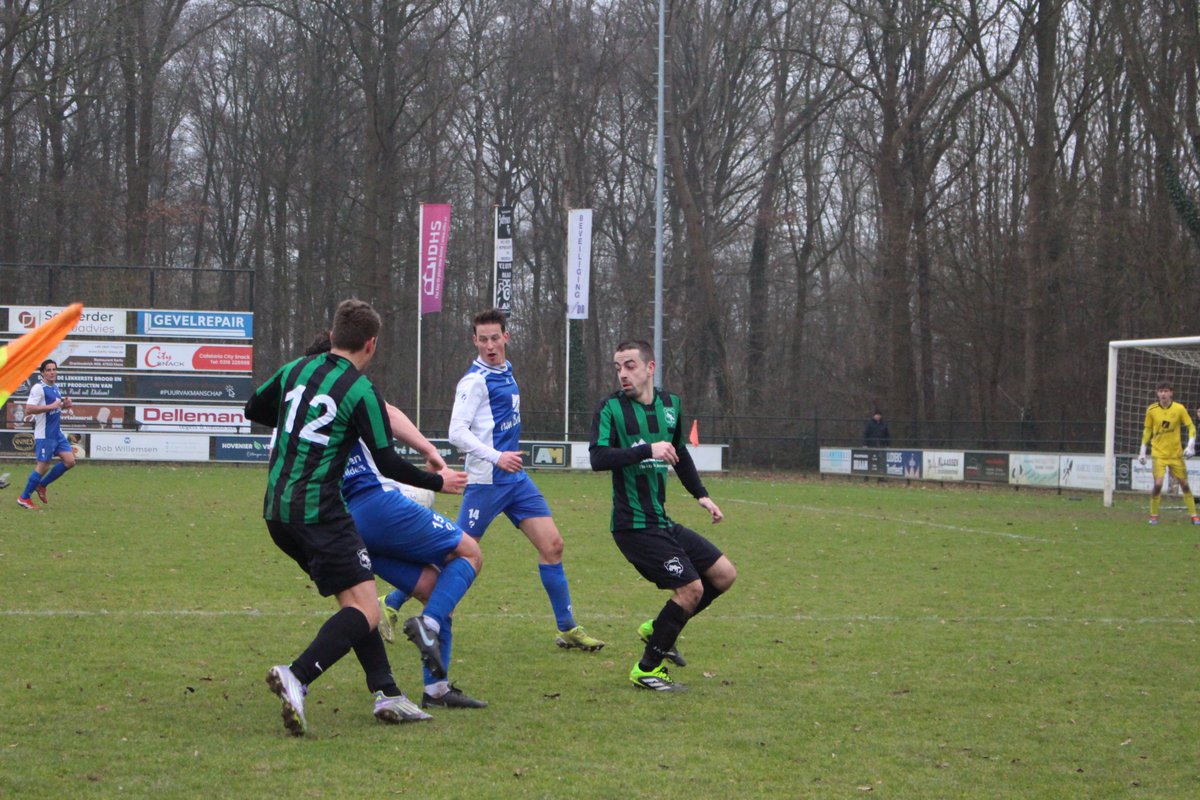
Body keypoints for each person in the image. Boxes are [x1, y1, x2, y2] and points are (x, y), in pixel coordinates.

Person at [243, 298, 456, 736]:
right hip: (320, 512)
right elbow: (388, 462)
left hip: (277, 512)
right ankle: (297, 675)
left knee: (358, 601)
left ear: (333, 334)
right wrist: (439, 482)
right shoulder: (359, 390)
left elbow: (254, 409)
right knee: (365, 608)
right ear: (371, 344)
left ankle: (387, 692)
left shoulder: (294, 370)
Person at [382, 309, 606, 652]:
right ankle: (390, 603)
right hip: (486, 483)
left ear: (506, 337)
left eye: (495, 338)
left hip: (515, 480)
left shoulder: (506, 372)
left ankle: (567, 628)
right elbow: (456, 432)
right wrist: (496, 456)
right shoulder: (474, 381)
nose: (490, 345)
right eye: (483, 339)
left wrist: (504, 459)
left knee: (553, 546)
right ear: (475, 341)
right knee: (453, 554)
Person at [302, 332, 487, 709]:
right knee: (470, 553)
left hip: (343, 527)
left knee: (435, 589)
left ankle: (436, 689)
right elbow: (389, 415)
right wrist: (431, 454)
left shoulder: (300, 412)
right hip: (376, 506)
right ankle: (428, 626)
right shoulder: (347, 390)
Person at [589, 340, 737, 692]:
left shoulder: (671, 405)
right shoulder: (610, 408)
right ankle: (647, 669)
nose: (623, 374)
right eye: (618, 367)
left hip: (661, 521)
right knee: (690, 589)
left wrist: (701, 495)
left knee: (723, 575)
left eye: (630, 365)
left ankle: (658, 629)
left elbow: (678, 451)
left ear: (650, 368)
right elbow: (598, 458)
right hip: (633, 526)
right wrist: (646, 450)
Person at [17, 359, 76, 510]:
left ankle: (41, 485)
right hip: (45, 434)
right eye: (48, 370)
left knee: (70, 461)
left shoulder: (55, 387)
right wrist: (51, 406)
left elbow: (54, 408)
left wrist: (64, 405)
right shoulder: (38, 388)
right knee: (43, 465)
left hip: (57, 433)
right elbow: (29, 409)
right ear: (42, 373)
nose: (52, 372)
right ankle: (24, 498)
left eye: (54, 369)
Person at [1138, 381, 1199, 525]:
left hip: (1176, 454)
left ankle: (1194, 515)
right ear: (1157, 393)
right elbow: (1147, 430)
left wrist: (1190, 445)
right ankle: (1154, 516)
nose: (1163, 394)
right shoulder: (1152, 410)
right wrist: (1142, 451)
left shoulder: (1179, 408)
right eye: (1161, 391)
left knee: (1184, 484)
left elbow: (1191, 427)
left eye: (1166, 391)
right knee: (1158, 484)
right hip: (1158, 454)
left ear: (1171, 393)